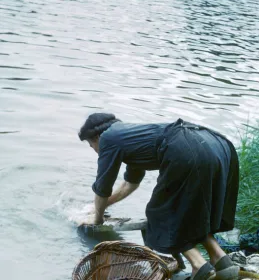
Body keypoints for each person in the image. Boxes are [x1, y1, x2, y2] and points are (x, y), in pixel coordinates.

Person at [78, 113, 240, 280]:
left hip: (187, 147)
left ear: (97, 136)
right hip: (215, 144)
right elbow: (129, 185)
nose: (96, 152)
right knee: (194, 211)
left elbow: (103, 186)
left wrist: (96, 219)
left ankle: (198, 264)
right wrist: (98, 206)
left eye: (92, 146)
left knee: (161, 214)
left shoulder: (107, 138)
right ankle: (220, 260)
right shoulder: (129, 137)